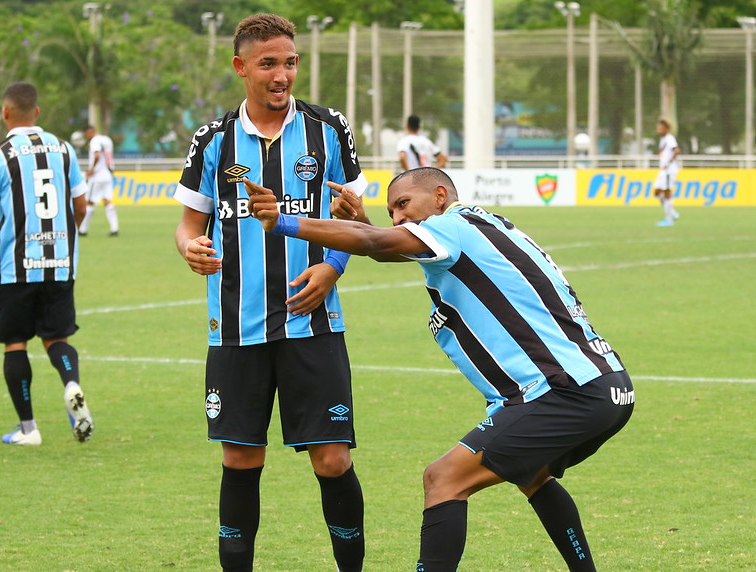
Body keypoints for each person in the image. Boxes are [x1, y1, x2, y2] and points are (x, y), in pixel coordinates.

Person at [247, 167, 635, 572]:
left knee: (443, 478)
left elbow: (374, 241)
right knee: (532, 475)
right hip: (603, 384)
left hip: (565, 391)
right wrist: (362, 223)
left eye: (403, 204)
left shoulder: (451, 227)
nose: (398, 217)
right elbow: (382, 244)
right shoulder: (477, 225)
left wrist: (282, 222)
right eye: (391, 212)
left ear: (439, 195)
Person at [173, 13, 368, 572]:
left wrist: (332, 268)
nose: (282, 75)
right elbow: (189, 226)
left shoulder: (328, 129)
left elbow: (355, 220)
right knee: (241, 460)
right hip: (236, 325)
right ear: (241, 67)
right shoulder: (213, 141)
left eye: (290, 62)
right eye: (268, 64)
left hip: (314, 323)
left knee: (332, 460)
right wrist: (191, 248)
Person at [0, 82, 93, 446]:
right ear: (37, 112)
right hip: (61, 263)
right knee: (56, 337)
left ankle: (28, 429)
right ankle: (71, 383)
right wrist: (64, 239)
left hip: (16, 267)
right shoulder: (64, 149)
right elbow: (80, 206)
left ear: (5, 113)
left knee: (15, 342)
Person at [78, 125, 118, 236]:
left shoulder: (94, 141)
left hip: (97, 176)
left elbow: (97, 155)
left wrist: (92, 169)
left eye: (86, 134)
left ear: (89, 132)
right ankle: (114, 228)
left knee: (89, 202)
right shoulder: (107, 139)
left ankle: (82, 230)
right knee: (108, 201)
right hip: (108, 175)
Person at [654, 117, 680, 226]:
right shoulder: (663, 139)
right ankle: (672, 212)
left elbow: (676, 150)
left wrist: (668, 163)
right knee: (656, 192)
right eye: (658, 129)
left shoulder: (669, 138)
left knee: (666, 193)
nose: (659, 131)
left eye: (661, 129)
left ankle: (669, 220)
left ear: (667, 129)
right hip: (663, 171)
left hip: (669, 170)